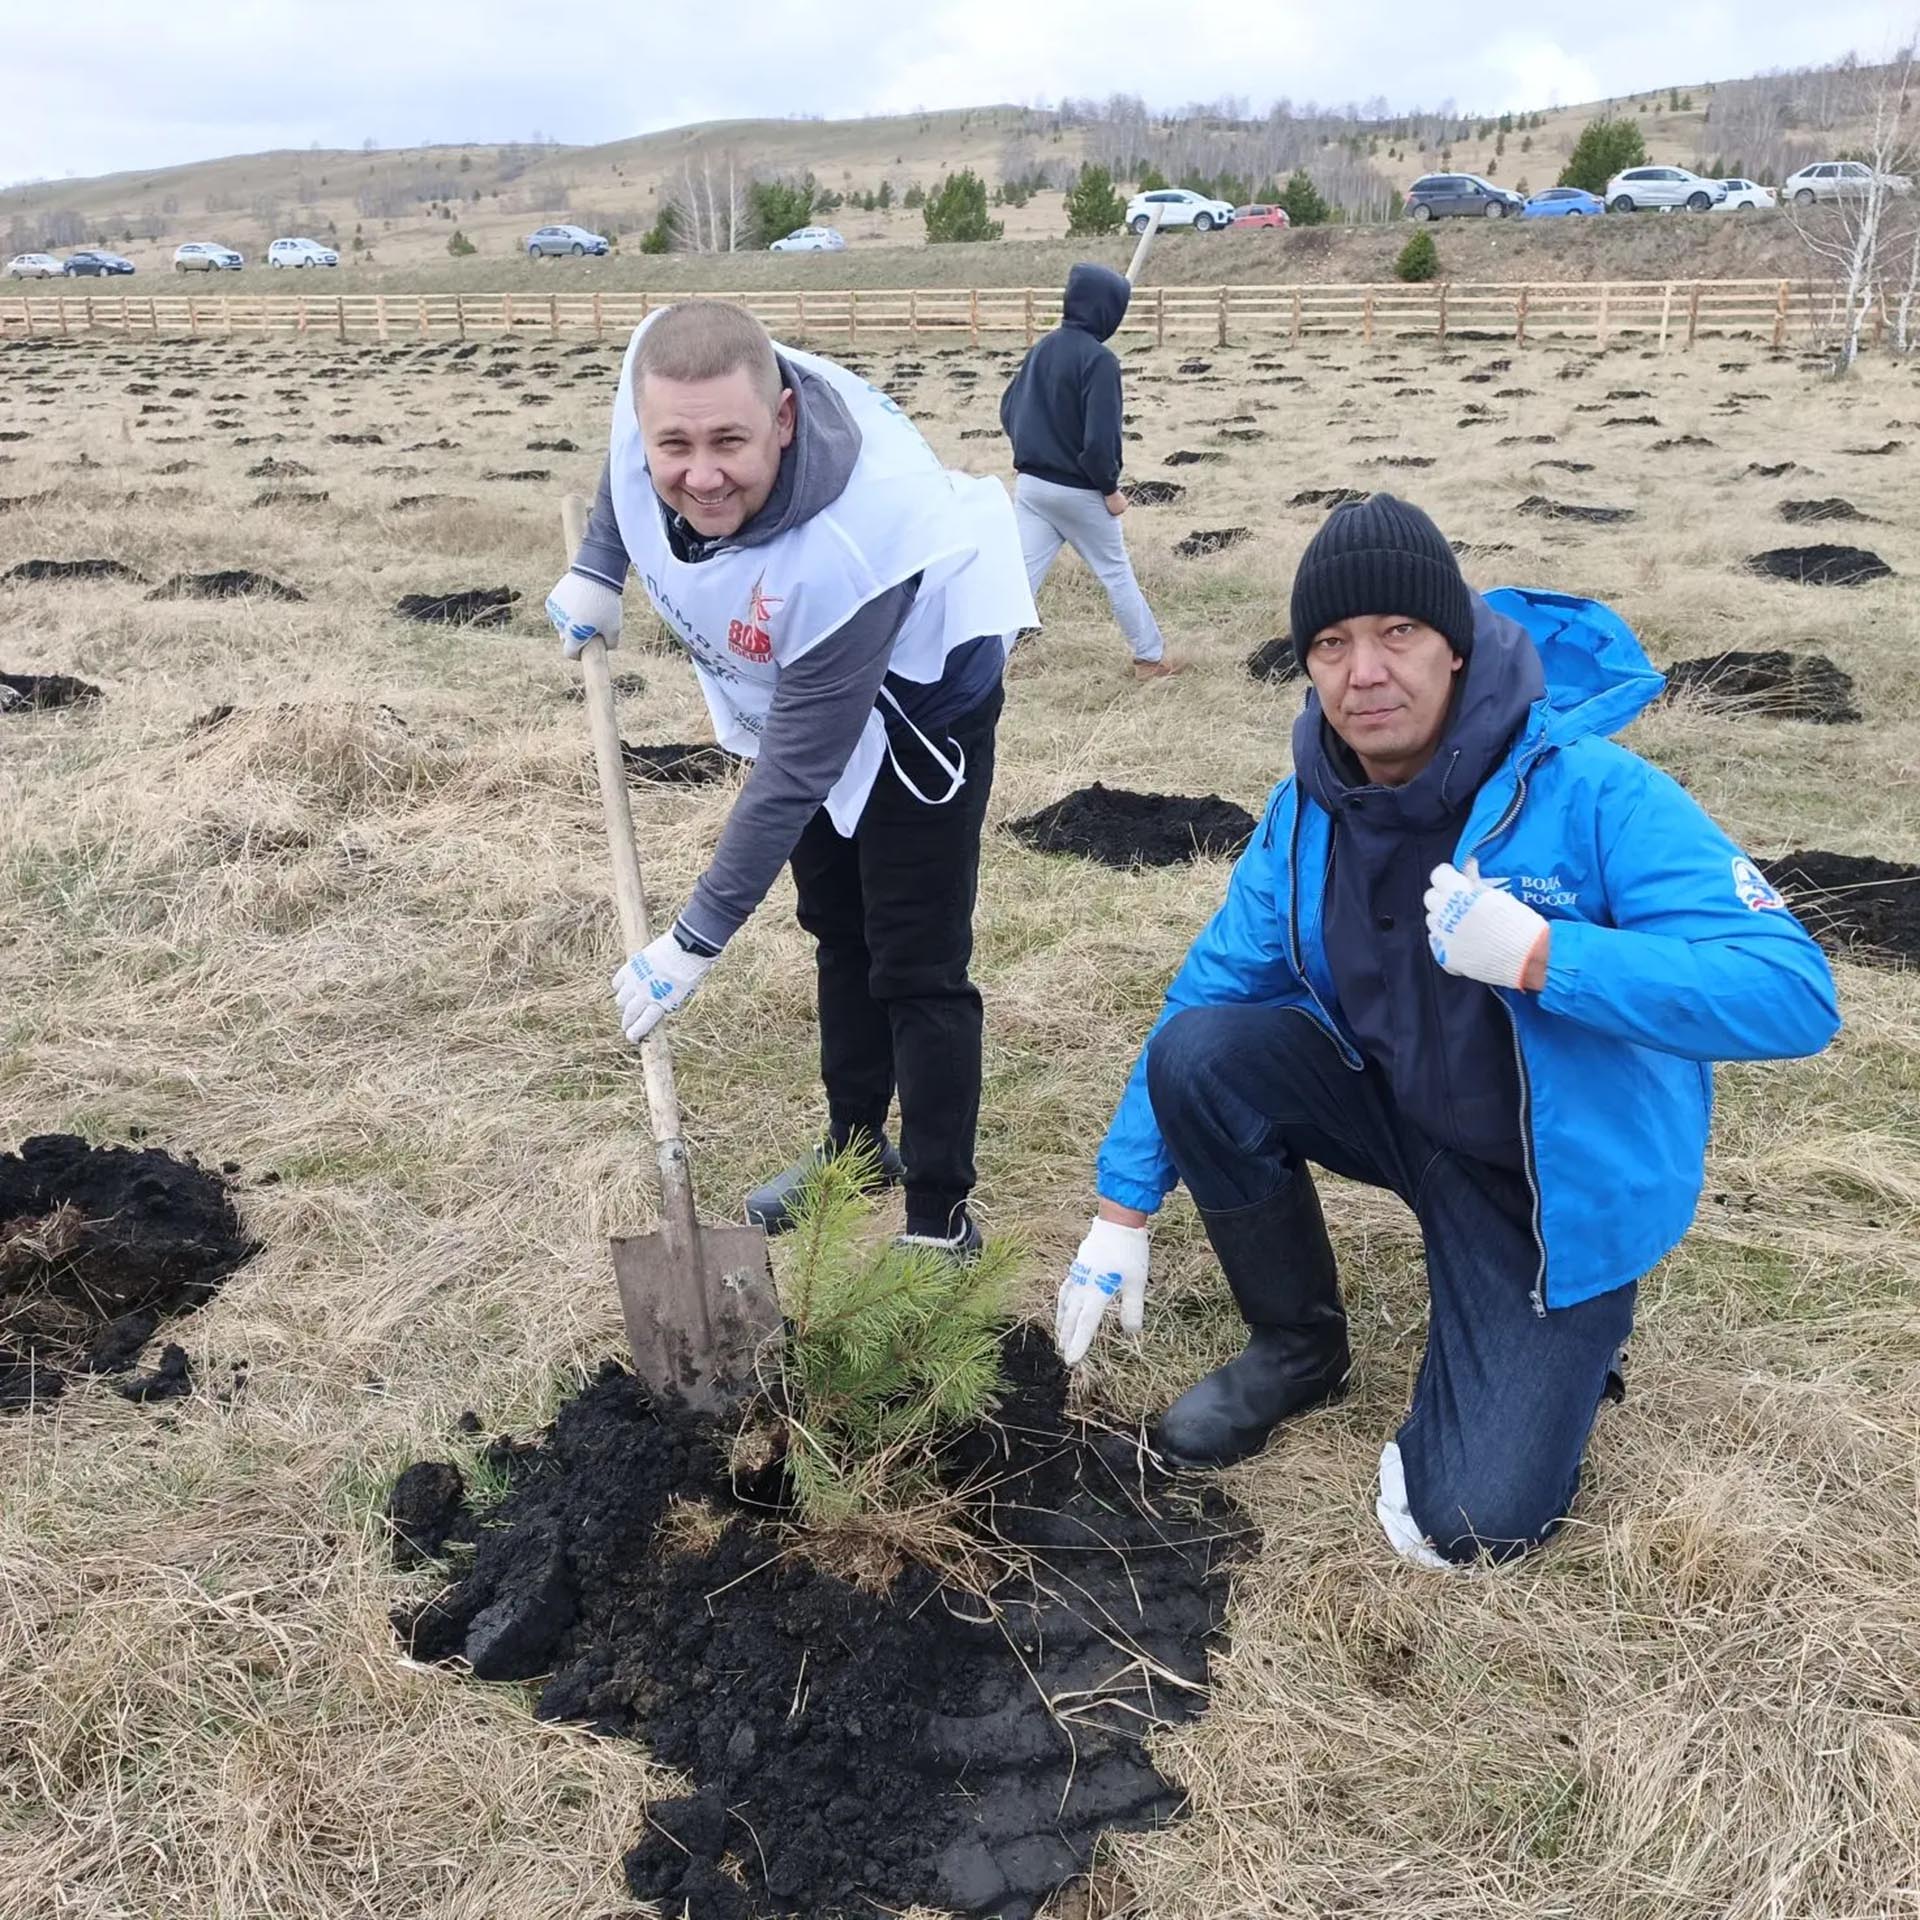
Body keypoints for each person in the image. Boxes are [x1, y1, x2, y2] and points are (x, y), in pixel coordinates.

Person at [1054, 494, 1840, 1567]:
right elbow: (1208, 991)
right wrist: (1121, 1208)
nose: (1364, 671)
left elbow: (1790, 990)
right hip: (1398, 1109)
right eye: (1331, 644)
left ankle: (1577, 1325)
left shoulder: (1591, 792)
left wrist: (1545, 958)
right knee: (1204, 1055)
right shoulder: (1309, 809)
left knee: (1473, 1521)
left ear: (1457, 649)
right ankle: (1296, 1348)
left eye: (1398, 634)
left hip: (1538, 1177)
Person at [546, 301, 1036, 1252]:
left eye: (730, 441)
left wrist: (692, 941)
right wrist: (600, 566)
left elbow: (800, 767)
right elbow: (625, 467)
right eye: (674, 445)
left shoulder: (860, 540)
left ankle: (939, 1219)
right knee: (837, 930)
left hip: (918, 706)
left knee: (915, 962)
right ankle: (855, 1150)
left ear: (783, 420)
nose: (700, 472)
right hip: (801, 687)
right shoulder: (659, 383)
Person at [999, 264, 1178, 682]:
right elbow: (1099, 441)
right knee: (1116, 573)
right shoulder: (1100, 362)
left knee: (1017, 581)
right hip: (1078, 492)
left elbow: (1009, 407)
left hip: (1032, 488)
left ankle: (982, 663)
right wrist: (1110, 488)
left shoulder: (1042, 348)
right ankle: (1150, 659)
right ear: (1107, 311)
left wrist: (1028, 450)